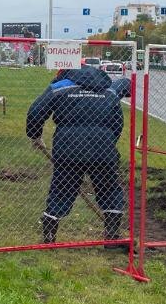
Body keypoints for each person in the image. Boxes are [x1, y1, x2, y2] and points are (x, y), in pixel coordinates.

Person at [26, 65, 125, 246]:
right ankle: (111, 237)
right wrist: (109, 142)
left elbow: (36, 111)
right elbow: (118, 122)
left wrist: (35, 135)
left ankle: (49, 235)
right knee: (109, 190)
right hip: (102, 150)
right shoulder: (109, 91)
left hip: (68, 149)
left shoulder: (60, 87)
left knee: (61, 189)